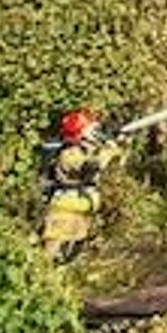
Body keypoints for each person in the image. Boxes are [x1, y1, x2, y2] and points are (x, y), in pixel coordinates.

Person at [40, 108, 122, 262]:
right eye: (91, 129)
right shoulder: (69, 154)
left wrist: (114, 138)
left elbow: (113, 156)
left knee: (70, 258)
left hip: (80, 211)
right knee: (49, 256)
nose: (95, 131)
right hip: (63, 213)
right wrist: (109, 146)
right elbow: (94, 165)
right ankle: (38, 281)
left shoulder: (86, 149)